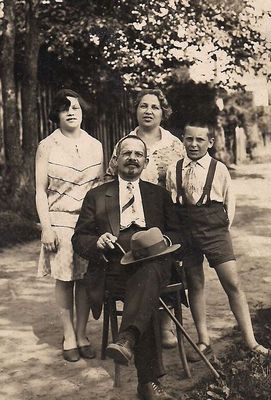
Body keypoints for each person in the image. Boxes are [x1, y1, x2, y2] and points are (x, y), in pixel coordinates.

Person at [72, 135, 181, 400]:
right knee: (145, 291)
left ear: (146, 161)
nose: (132, 158)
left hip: (154, 260)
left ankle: (127, 339)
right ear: (115, 160)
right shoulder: (97, 196)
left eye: (138, 154)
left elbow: (180, 234)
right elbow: (79, 238)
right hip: (114, 264)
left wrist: (161, 242)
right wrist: (97, 241)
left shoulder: (159, 195)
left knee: (147, 273)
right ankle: (148, 384)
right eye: (126, 153)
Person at [166, 121, 271, 361]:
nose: (194, 144)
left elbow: (229, 202)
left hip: (214, 229)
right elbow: (173, 200)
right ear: (183, 139)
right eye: (189, 139)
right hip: (186, 230)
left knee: (232, 282)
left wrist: (221, 228)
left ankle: (251, 341)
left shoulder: (220, 169)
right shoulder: (175, 169)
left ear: (210, 143)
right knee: (194, 283)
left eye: (200, 140)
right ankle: (204, 339)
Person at [106, 88, 185, 347]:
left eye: (154, 107)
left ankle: (162, 323)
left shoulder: (174, 145)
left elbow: (183, 184)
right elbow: (110, 181)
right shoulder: (125, 142)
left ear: (163, 112)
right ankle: (139, 330)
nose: (148, 111)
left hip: (163, 216)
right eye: (143, 106)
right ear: (136, 110)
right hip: (130, 218)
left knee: (160, 258)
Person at [35, 89, 103, 362]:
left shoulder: (95, 145)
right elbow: (40, 191)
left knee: (85, 280)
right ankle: (68, 335)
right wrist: (46, 227)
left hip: (87, 223)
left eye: (76, 107)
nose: (72, 112)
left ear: (82, 112)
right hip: (59, 220)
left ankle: (83, 333)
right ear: (57, 115)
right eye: (65, 109)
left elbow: (98, 188)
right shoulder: (47, 145)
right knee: (64, 280)